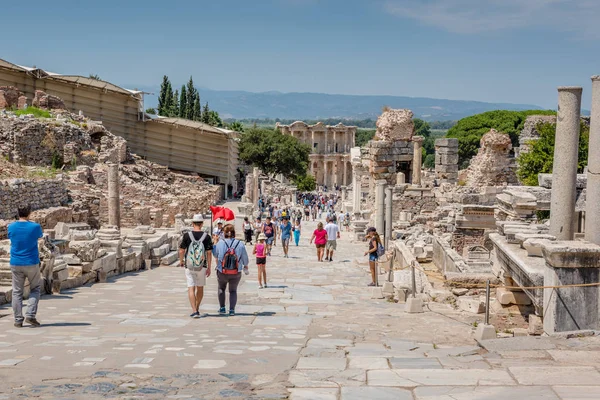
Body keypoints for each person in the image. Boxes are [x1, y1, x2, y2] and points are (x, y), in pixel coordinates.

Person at [8, 206, 44, 328]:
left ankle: (18, 320)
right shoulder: (35, 227)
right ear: (29, 213)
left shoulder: (11, 227)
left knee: (17, 292)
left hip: (16, 262)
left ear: (18, 213)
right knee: (35, 288)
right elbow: (39, 236)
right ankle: (30, 315)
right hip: (31, 261)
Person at [179, 214, 213, 318]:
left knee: (191, 288)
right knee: (200, 287)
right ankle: (197, 307)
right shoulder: (206, 237)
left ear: (192, 223)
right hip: (202, 266)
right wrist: (209, 267)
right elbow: (209, 253)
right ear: (202, 224)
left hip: (189, 265)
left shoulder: (187, 236)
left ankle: (194, 310)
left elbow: (181, 250)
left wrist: (181, 261)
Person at [212, 224, 249, 316]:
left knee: (221, 288)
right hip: (236, 271)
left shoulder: (220, 243)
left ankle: (222, 308)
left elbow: (215, 255)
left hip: (222, 271)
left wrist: (215, 242)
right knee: (233, 290)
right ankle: (232, 310)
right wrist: (245, 266)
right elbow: (245, 259)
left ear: (224, 233)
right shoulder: (240, 243)